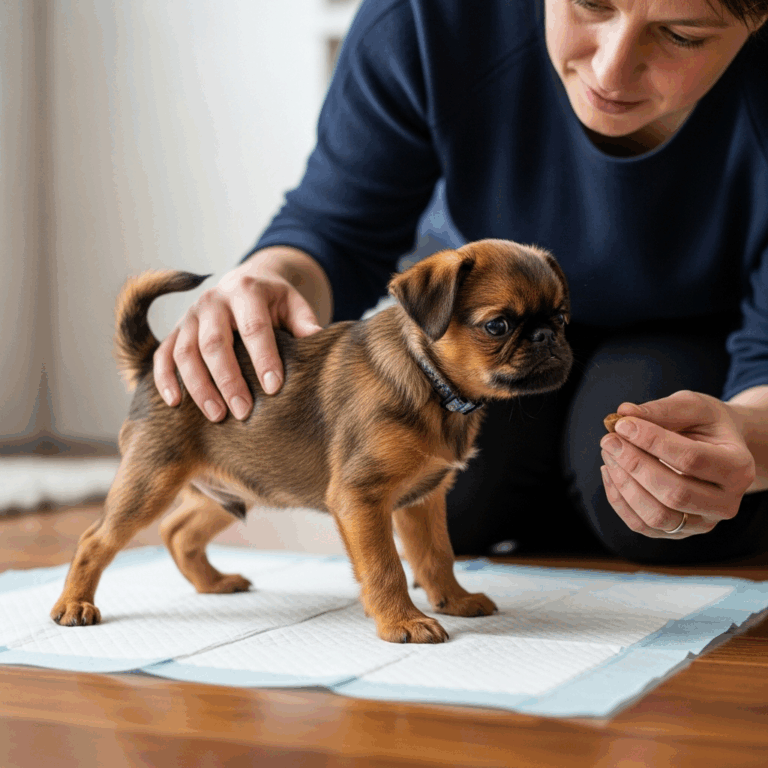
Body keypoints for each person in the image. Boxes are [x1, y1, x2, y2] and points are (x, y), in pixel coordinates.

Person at [152, 0, 768, 563]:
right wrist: (268, 277)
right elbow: (340, 227)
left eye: (681, 36)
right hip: (478, 327)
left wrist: (749, 438)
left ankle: (577, 486)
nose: (610, 69)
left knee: (660, 505)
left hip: (712, 330)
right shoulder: (424, 16)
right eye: (590, 4)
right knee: (444, 490)